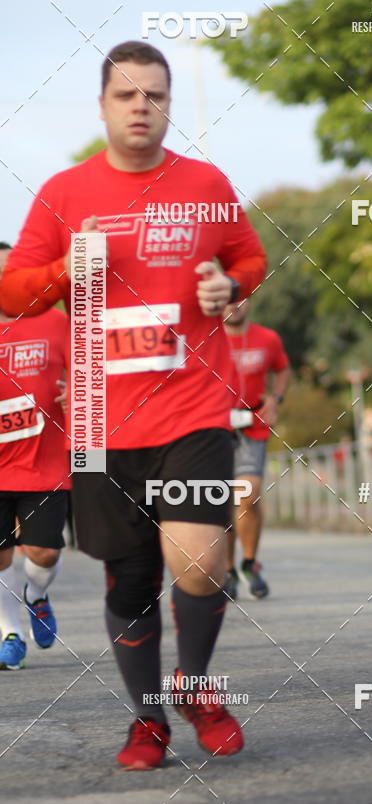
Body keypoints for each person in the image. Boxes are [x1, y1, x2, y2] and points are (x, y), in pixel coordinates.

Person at [0, 42, 266, 769]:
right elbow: (14, 291)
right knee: (131, 576)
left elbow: (249, 257)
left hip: (193, 410)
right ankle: (147, 721)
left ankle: (197, 685)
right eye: (127, 96)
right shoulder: (64, 193)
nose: (141, 107)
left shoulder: (206, 182)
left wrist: (231, 289)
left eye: (154, 95)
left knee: (201, 562)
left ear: (168, 104)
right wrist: (64, 268)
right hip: (98, 425)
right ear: (103, 106)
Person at [0, 243, 69, 669]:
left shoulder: (54, 321)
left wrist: (76, 390)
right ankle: (10, 633)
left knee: (42, 553)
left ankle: (36, 596)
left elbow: (91, 372)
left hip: (45, 462)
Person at [223, 298, 290, 599]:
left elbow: (283, 369)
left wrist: (276, 399)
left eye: (239, 299)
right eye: (226, 300)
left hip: (253, 423)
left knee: (247, 494)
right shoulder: (205, 338)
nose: (233, 305)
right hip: (216, 425)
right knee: (222, 500)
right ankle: (228, 570)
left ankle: (250, 562)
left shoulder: (267, 338)